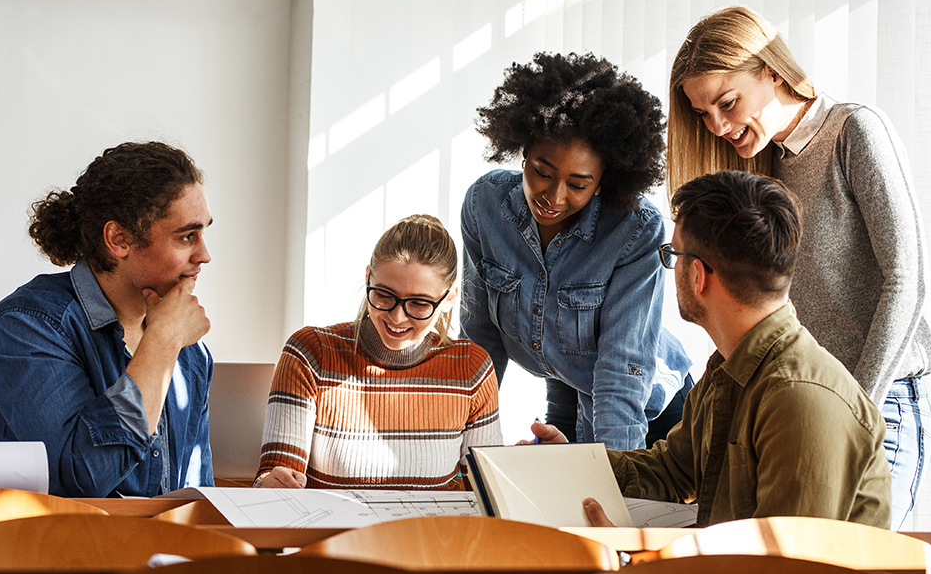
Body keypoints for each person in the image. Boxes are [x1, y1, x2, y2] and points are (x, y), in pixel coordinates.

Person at [667, 5, 931, 529]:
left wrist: (856, 405)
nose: (717, 126)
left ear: (771, 70)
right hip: (797, 407)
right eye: (703, 114)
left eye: (726, 102)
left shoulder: (854, 131)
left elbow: (907, 280)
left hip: (878, 399)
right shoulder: (763, 164)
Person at [535, 171, 891, 529]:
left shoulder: (800, 399)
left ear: (698, 276)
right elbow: (671, 472)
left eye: (672, 255)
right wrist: (573, 465)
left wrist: (634, 560)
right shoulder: (729, 369)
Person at [461, 51, 692, 452]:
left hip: (647, 412)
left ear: (604, 180)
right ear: (523, 151)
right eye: (542, 172)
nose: (553, 196)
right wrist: (466, 444)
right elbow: (480, 340)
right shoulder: (486, 205)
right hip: (567, 388)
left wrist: (617, 479)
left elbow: (620, 372)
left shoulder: (636, 230)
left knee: (609, 504)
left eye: (578, 184)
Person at [0, 142, 214, 498]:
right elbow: (84, 477)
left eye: (203, 233)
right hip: (61, 551)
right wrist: (162, 344)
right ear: (119, 239)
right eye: (186, 236)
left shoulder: (191, 353)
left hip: (163, 551)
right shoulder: (27, 326)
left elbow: (196, 495)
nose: (204, 255)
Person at [256, 214, 502, 490]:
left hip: (434, 534)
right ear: (367, 278)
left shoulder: (471, 368)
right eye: (384, 295)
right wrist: (270, 486)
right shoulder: (311, 353)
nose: (397, 317)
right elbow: (272, 480)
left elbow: (484, 495)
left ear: (449, 298)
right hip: (334, 533)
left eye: (419, 303)